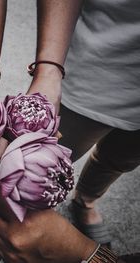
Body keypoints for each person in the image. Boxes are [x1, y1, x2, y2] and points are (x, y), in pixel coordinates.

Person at [27, 0, 140, 246]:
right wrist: (48, 69)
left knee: (120, 160)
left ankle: (85, 200)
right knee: (38, 167)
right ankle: (28, 218)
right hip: (97, 75)